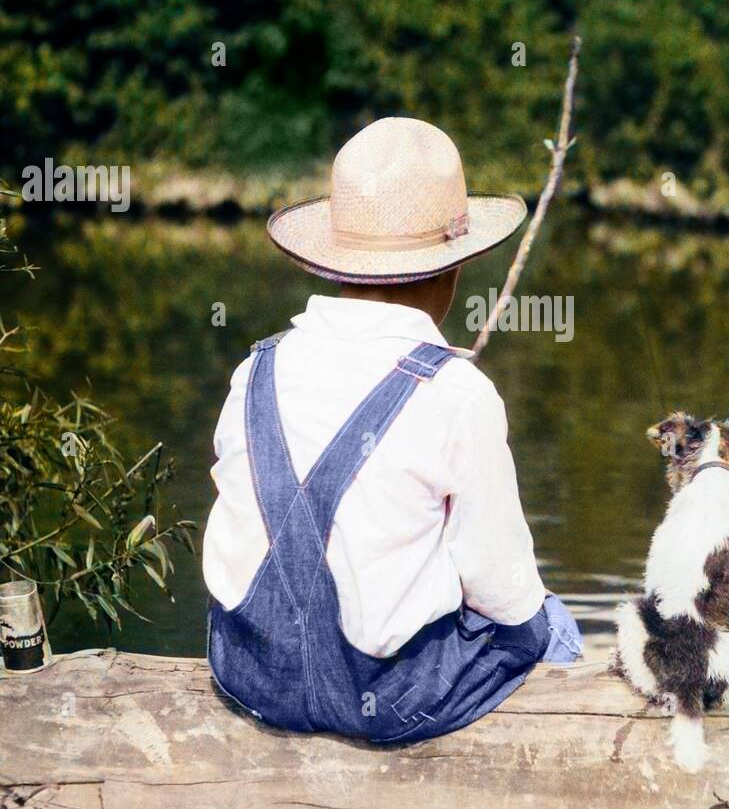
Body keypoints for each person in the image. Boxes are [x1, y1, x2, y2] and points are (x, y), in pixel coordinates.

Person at [203, 116, 582, 743]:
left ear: (336, 262)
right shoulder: (459, 394)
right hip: (384, 698)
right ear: (454, 269)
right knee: (554, 624)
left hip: (249, 675)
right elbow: (507, 597)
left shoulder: (254, 369)